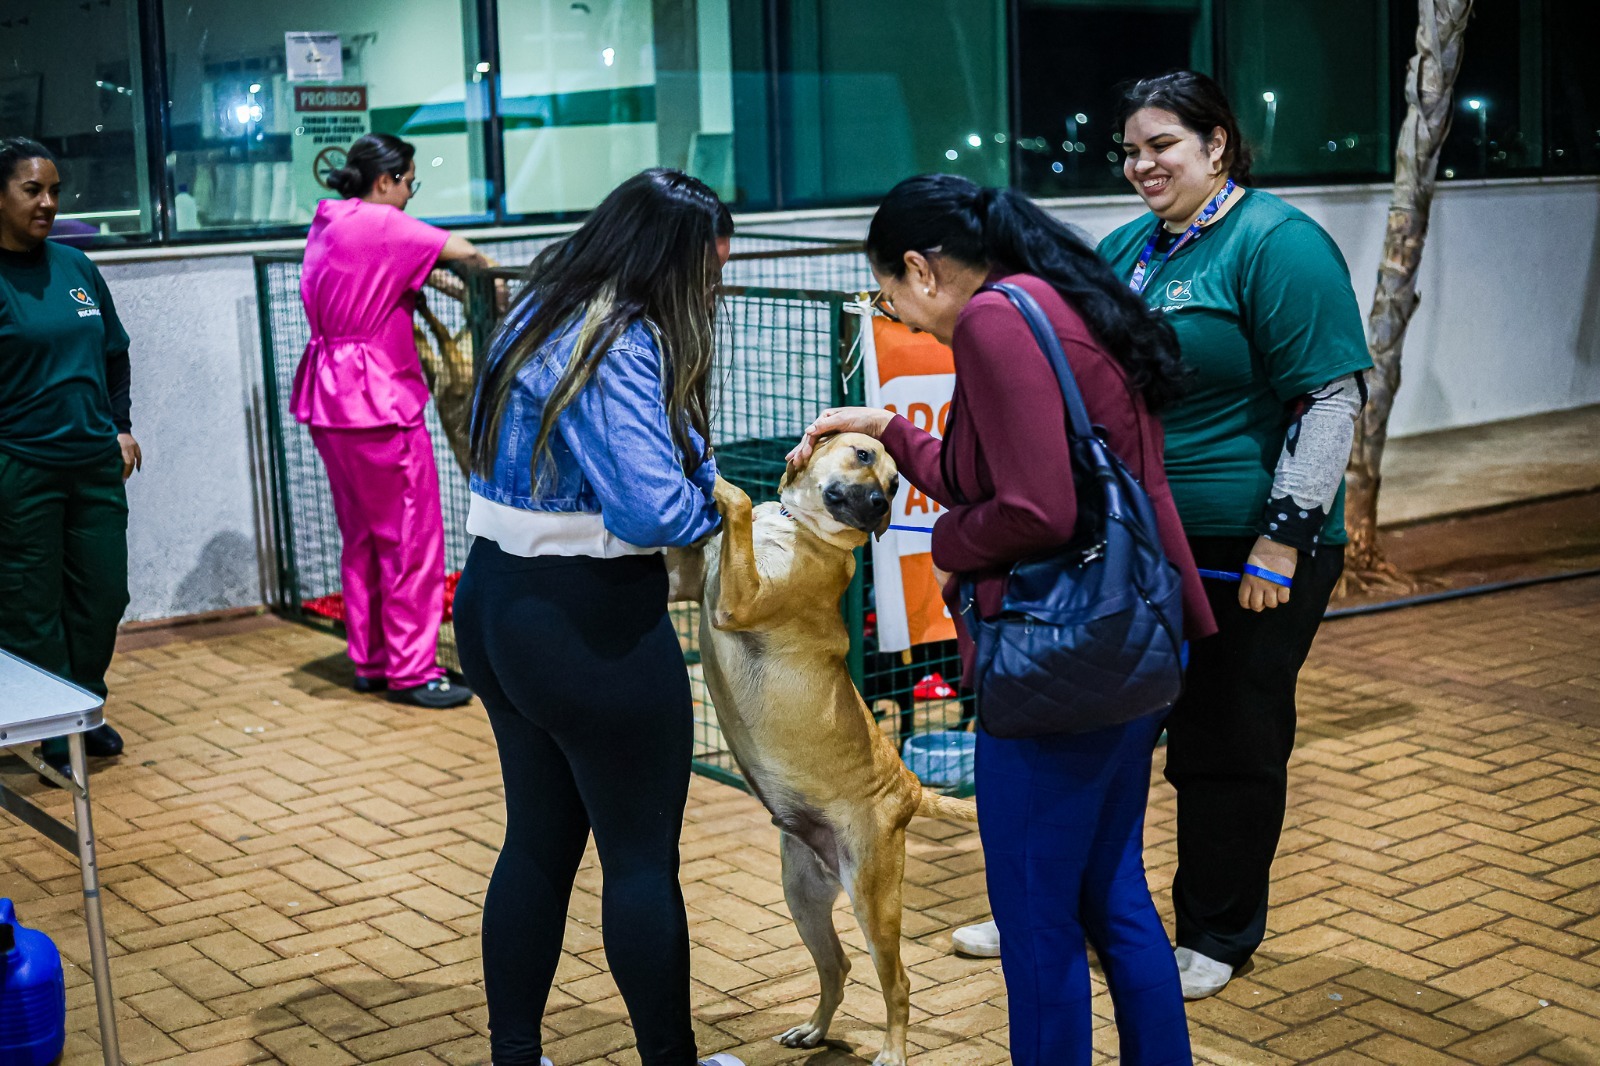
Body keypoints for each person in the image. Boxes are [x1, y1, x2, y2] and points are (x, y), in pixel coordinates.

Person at [787, 174, 1217, 1066]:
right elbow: (998, 470)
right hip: (1130, 636)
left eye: (889, 295)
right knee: (1113, 897)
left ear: (920, 268)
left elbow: (1037, 511)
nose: (899, 315)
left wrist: (949, 543)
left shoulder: (991, 320)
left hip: (1064, 659)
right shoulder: (1055, 297)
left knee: (1036, 917)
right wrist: (892, 430)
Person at [453, 169, 743, 1066]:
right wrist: (721, 508)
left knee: (537, 843)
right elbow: (651, 509)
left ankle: (516, 1053)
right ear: (665, 260)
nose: (712, 291)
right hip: (591, 619)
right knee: (640, 859)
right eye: (708, 271)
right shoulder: (617, 337)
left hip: (495, 600)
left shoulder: (537, 310)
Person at [1098, 71, 1372, 999]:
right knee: (1109, 736)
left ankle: (1217, 932)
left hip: (1247, 554)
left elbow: (1329, 399)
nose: (1143, 166)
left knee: (1226, 742)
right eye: (1131, 150)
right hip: (1144, 549)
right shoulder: (1129, 247)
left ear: (1217, 143)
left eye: (1162, 145)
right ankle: (1096, 909)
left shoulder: (1277, 244)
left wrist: (1284, 538)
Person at [291, 132, 486, 708]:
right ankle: (412, 670)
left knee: (363, 537)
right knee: (409, 539)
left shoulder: (331, 220)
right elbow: (468, 253)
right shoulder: (384, 223)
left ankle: (373, 660)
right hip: (378, 400)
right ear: (385, 181)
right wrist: (498, 287)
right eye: (409, 183)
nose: (409, 197)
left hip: (328, 398)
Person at [0, 137, 139, 779]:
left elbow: (113, 352)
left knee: (103, 595)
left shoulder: (76, 267)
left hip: (93, 463)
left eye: (55, 190)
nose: (49, 203)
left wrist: (121, 427)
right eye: (33, 190)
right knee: (32, 603)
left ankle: (82, 705)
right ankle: (54, 732)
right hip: (20, 466)